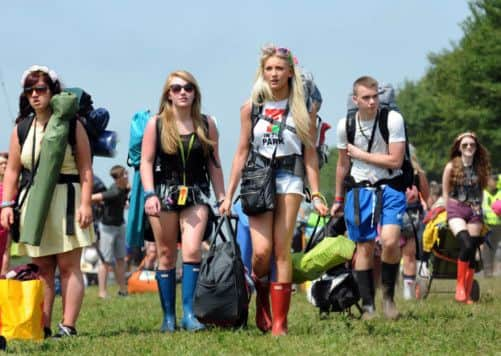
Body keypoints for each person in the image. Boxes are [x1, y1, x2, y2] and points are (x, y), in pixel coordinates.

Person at [220, 45, 328, 336]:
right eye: (269, 69)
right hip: (257, 179)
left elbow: (310, 155)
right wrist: (228, 195)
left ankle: (280, 322)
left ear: (291, 72)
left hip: (290, 178)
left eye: (279, 68)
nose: (274, 74)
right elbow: (241, 152)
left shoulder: (302, 110)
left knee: (282, 249)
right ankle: (262, 296)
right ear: (262, 72)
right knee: (261, 253)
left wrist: (316, 193)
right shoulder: (251, 107)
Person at [0, 65, 94, 337]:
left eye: (40, 89)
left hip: (68, 200)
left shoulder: (72, 125)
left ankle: (68, 326)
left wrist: (86, 204)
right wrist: (7, 205)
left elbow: (86, 168)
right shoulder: (22, 128)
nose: (34, 95)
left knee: (68, 266)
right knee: (42, 268)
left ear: (53, 92)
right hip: (34, 204)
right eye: (29, 90)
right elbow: (14, 172)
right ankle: (41, 325)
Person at [140, 70, 225, 332]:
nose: (183, 92)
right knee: (166, 255)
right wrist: (149, 193)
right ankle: (168, 318)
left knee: (192, 250)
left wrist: (222, 196)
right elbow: (147, 161)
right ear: (168, 94)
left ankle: (189, 314)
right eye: (176, 88)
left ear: (195, 92)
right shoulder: (156, 123)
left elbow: (214, 164)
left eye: (188, 88)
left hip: (196, 193)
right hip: (164, 193)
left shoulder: (207, 123)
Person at [331, 76, 407, 320]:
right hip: (359, 188)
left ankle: (388, 297)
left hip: (390, 185)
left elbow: (395, 160)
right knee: (363, 246)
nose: (372, 102)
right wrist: (338, 199)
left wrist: (360, 154)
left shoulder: (392, 120)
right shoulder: (346, 126)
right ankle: (368, 306)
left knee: (390, 241)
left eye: (375, 96)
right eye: (366, 98)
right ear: (356, 100)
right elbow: (343, 164)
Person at [442, 131, 490, 303]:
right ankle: (460, 287)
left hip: (475, 211)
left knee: (472, 250)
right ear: (459, 148)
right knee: (466, 243)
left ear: (476, 148)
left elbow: (482, 191)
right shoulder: (451, 166)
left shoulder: (480, 168)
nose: (469, 147)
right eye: (465, 145)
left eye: (472, 145)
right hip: (456, 209)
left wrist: (479, 210)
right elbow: (445, 193)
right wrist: (448, 212)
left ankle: (467, 293)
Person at [91, 165, 130, 298]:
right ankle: (102, 292)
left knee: (120, 259)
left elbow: (125, 196)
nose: (127, 176)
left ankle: (123, 290)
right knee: (105, 261)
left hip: (120, 226)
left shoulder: (124, 189)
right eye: (125, 174)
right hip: (107, 228)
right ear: (118, 178)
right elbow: (93, 197)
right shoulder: (113, 191)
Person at [400, 145, 429, 300]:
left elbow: (426, 194)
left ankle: (408, 293)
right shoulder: (386, 171)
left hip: (412, 216)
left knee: (409, 254)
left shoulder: (418, 174)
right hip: (391, 215)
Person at [482, 174, 501, 277]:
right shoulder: (483, 193)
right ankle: (487, 271)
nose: (494, 183)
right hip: (487, 225)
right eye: (493, 180)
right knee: (487, 248)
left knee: (494, 248)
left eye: (496, 181)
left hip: (498, 225)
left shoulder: (500, 192)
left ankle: (492, 270)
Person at [0, 153, 10, 274]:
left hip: (7, 225)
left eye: (6, 163)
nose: (4, 166)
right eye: (1, 163)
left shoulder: (13, 185)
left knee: (5, 252)